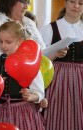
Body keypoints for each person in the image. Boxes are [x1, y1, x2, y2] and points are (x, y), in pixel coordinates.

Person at [0, 21, 45, 130]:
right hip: (1, 113)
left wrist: (30, 96)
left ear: (20, 41)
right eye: (1, 41)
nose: (3, 46)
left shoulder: (29, 64)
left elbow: (39, 93)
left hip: (23, 114)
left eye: (8, 42)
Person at [40, 0, 83, 130]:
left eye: (80, 3)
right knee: (57, 113)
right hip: (58, 79)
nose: (76, 6)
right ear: (65, 3)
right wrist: (56, 54)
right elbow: (41, 59)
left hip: (81, 79)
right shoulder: (50, 28)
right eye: (72, 1)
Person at [0, 0, 47, 73]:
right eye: (23, 2)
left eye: (28, 2)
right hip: (2, 76)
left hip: (31, 74)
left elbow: (42, 49)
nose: (26, 6)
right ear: (10, 2)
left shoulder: (29, 22)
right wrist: (20, 59)